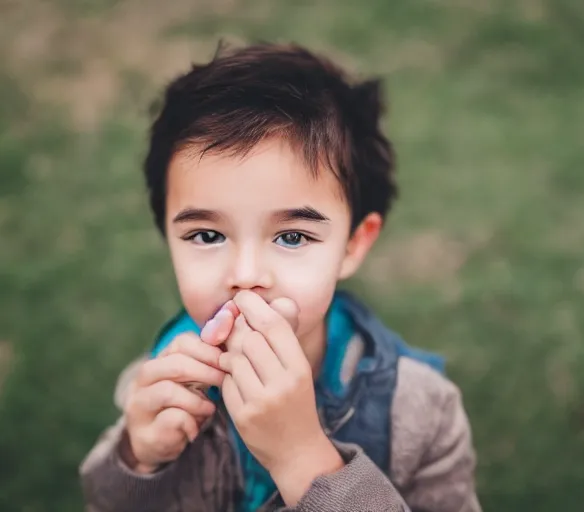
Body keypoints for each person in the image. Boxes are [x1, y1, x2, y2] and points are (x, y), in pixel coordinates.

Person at [79, 43, 480, 512]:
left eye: (292, 237)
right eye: (207, 235)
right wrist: (137, 459)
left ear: (353, 244)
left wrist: (302, 459)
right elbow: (105, 501)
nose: (246, 277)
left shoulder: (421, 412)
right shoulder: (158, 379)